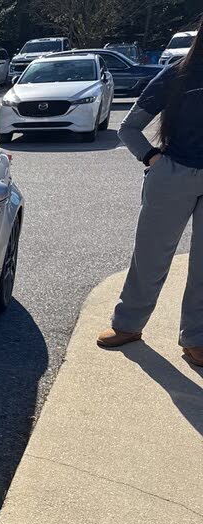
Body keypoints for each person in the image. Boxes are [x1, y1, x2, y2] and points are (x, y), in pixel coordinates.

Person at [99, 19, 203, 367]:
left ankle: (197, 338)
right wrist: (152, 158)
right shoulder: (177, 75)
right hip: (173, 175)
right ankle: (128, 325)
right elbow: (129, 127)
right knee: (150, 256)